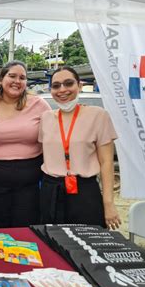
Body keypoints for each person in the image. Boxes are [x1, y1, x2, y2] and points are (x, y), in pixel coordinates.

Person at [38, 66, 121, 229]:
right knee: (52, 243)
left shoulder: (98, 115)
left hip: (84, 191)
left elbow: (106, 163)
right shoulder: (46, 118)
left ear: (80, 85)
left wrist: (108, 203)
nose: (62, 90)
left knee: (87, 243)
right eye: (56, 86)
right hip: (51, 190)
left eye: (68, 83)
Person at [0, 60, 51, 228]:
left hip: (30, 184)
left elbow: (51, 144)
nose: (17, 81)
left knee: (26, 232)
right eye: (12, 76)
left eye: (22, 77)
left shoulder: (39, 105)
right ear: (1, 79)